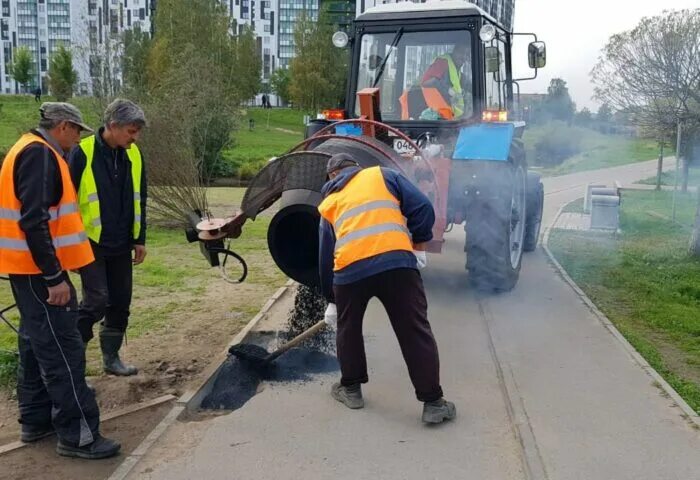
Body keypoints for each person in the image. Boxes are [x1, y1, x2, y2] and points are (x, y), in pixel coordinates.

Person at [0, 102, 121, 458]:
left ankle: (36, 420)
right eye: (75, 132)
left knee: (35, 343)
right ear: (63, 126)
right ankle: (79, 436)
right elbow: (34, 220)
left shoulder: (25, 148)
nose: (75, 141)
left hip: (27, 270)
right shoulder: (41, 155)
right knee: (62, 352)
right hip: (41, 273)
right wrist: (55, 277)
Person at [317, 153, 456, 424]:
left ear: (333, 176)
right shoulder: (382, 175)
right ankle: (433, 403)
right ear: (356, 168)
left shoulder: (328, 202)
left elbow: (324, 255)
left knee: (349, 329)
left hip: (350, 272)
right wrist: (419, 244)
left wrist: (331, 299)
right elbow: (424, 208)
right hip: (397, 264)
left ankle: (351, 390)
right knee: (414, 330)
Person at [69, 99, 147, 377]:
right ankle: (72, 365)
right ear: (112, 126)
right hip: (90, 243)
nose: (135, 138)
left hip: (122, 243)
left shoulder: (134, 155)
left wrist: (140, 239)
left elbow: (141, 197)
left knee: (120, 302)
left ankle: (110, 359)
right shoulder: (82, 153)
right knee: (95, 301)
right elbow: (66, 203)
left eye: (137, 132)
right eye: (131, 131)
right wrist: (71, 248)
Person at [400, 43, 471, 120]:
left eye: (466, 54)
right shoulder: (443, 62)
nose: (464, 57)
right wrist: (448, 90)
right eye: (461, 53)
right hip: (433, 117)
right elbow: (426, 82)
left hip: (448, 118)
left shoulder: (457, 72)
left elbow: (469, 85)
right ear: (454, 52)